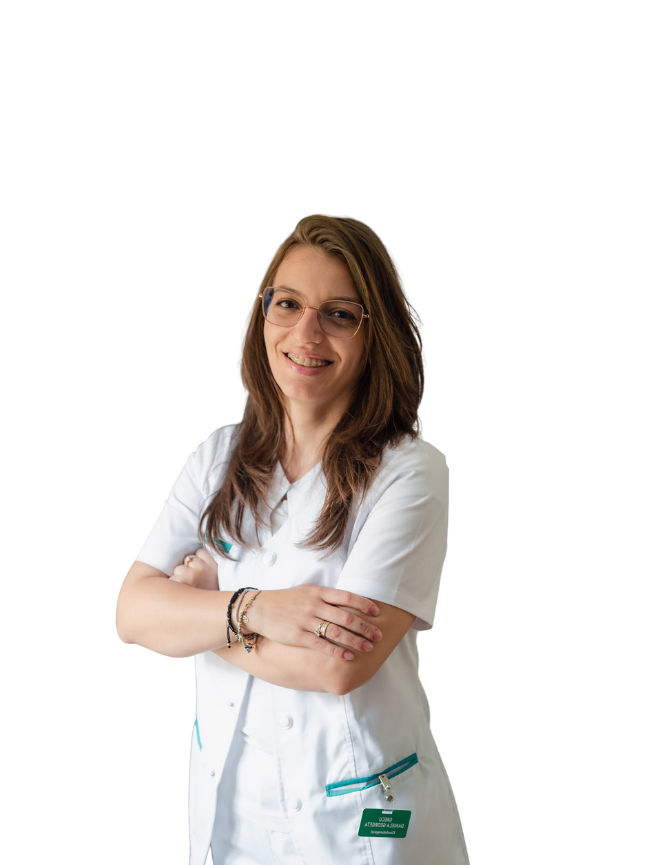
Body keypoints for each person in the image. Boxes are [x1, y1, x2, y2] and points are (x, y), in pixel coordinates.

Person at [115, 213, 469, 864]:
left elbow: (338, 667)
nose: (306, 334)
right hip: (233, 822)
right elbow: (131, 614)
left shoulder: (410, 473)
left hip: (361, 828)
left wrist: (202, 617)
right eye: (288, 304)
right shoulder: (216, 456)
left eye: (339, 314)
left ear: (375, 333)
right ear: (263, 313)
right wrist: (253, 609)